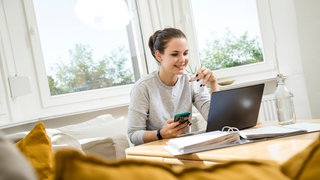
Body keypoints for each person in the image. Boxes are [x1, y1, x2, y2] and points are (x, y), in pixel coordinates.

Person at [127, 27, 218, 145]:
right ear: (159, 55)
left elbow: (214, 118)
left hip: (184, 149)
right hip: (155, 153)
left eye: (185, 53)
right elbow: (133, 135)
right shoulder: (143, 87)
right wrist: (160, 134)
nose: (182, 60)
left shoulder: (191, 81)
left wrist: (213, 83)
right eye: (175, 54)